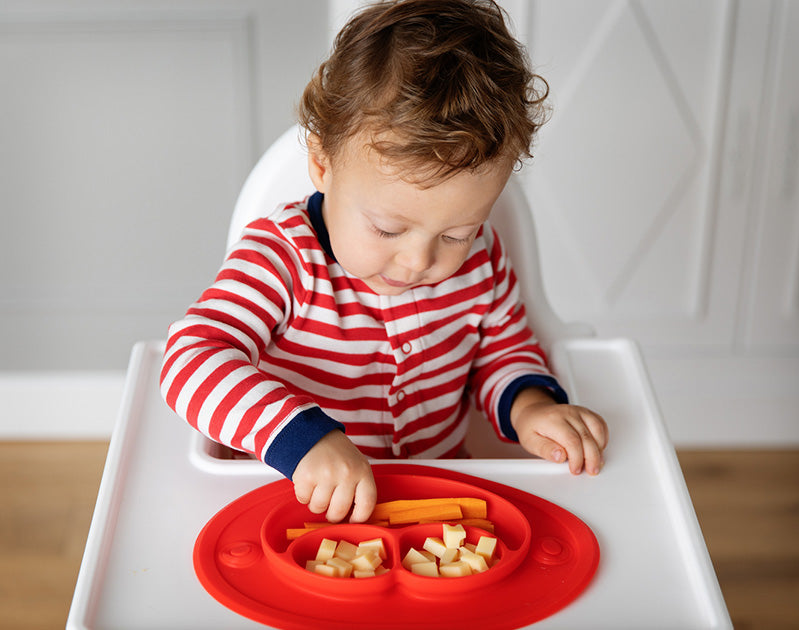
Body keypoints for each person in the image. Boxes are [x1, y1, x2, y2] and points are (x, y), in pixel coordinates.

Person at [161, 0, 607, 525]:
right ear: (323, 165)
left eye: (455, 233)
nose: (420, 259)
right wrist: (302, 439)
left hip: (436, 509)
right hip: (292, 505)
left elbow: (504, 350)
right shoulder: (281, 257)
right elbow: (190, 358)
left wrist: (531, 406)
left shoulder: (481, 259)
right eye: (388, 229)